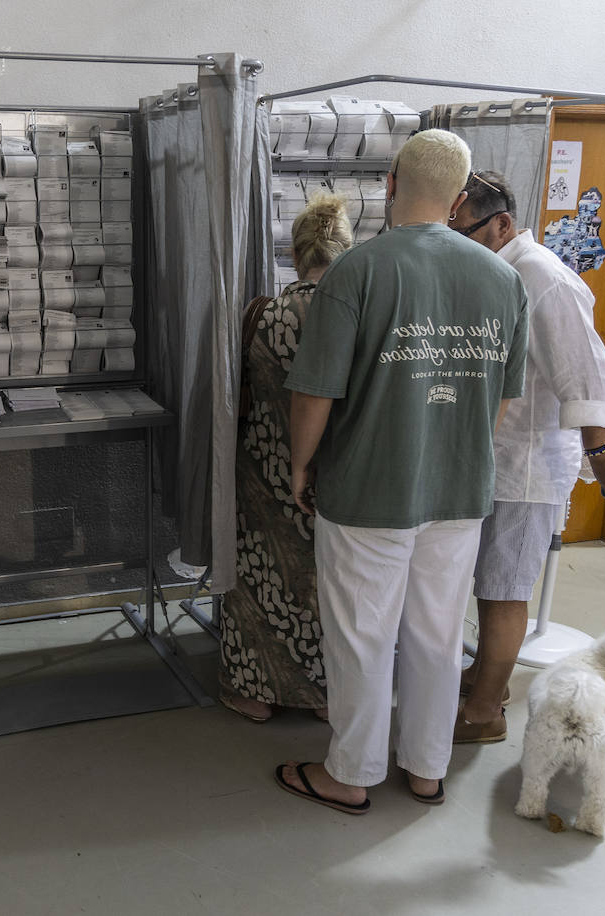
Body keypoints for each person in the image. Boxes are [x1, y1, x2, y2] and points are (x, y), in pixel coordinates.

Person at [274, 130, 528, 814]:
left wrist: (301, 466)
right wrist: (457, 451)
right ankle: (425, 768)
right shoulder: (504, 278)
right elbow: (503, 398)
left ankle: (350, 773)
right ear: (460, 194)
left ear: (389, 182)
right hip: (460, 489)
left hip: (367, 490)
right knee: (438, 634)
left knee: (362, 636)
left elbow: (314, 393)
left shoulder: (355, 272)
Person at [449, 169, 605, 743]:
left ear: (503, 223)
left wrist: (602, 452)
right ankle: (486, 678)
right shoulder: (499, 270)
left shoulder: (544, 277)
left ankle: (484, 714)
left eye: (469, 235)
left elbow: (585, 372)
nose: (461, 250)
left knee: (503, 592)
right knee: (487, 584)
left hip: (525, 465)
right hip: (494, 457)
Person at [219, 193, 355, 723]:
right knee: (333, 584)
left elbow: (238, 391)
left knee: (259, 576)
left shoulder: (266, 312)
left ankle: (253, 693)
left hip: (263, 463)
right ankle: (325, 696)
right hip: (337, 470)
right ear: (347, 251)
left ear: (296, 254)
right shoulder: (356, 312)